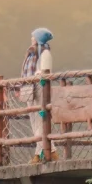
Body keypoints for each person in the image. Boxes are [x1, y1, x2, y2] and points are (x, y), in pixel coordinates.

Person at [29, 28, 53, 161]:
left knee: (40, 122)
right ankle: (40, 153)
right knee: (36, 123)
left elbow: (45, 72)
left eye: (33, 37)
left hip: (40, 89)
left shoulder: (45, 53)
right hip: (34, 88)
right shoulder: (35, 54)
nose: (31, 39)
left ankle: (46, 152)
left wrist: (36, 76)